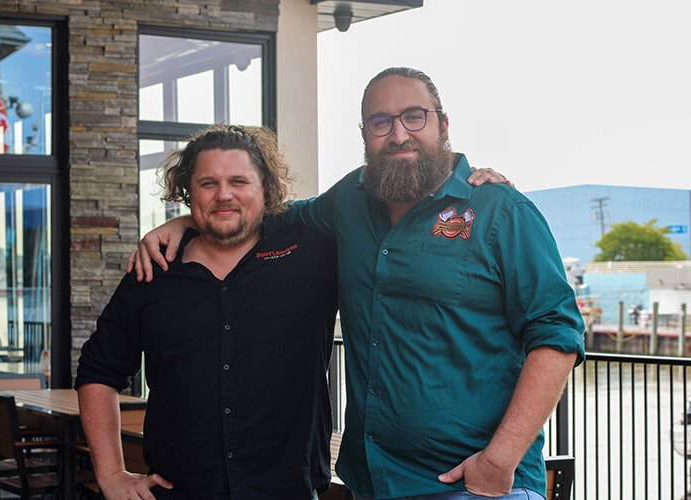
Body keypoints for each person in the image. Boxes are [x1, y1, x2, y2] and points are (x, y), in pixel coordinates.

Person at [130, 68, 576, 500]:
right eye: (380, 122)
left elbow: (556, 335)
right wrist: (189, 220)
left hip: (472, 484)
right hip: (373, 479)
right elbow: (262, 211)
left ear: (443, 123)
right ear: (365, 134)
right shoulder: (349, 199)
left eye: (413, 116)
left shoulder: (500, 210)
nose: (398, 134)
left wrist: (500, 459)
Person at [75, 125, 340, 500]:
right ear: (186, 191)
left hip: (288, 491)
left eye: (238, 181)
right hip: (178, 492)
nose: (224, 195)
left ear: (265, 187)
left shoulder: (310, 254)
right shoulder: (154, 271)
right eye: (208, 184)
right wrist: (112, 473)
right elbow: (97, 371)